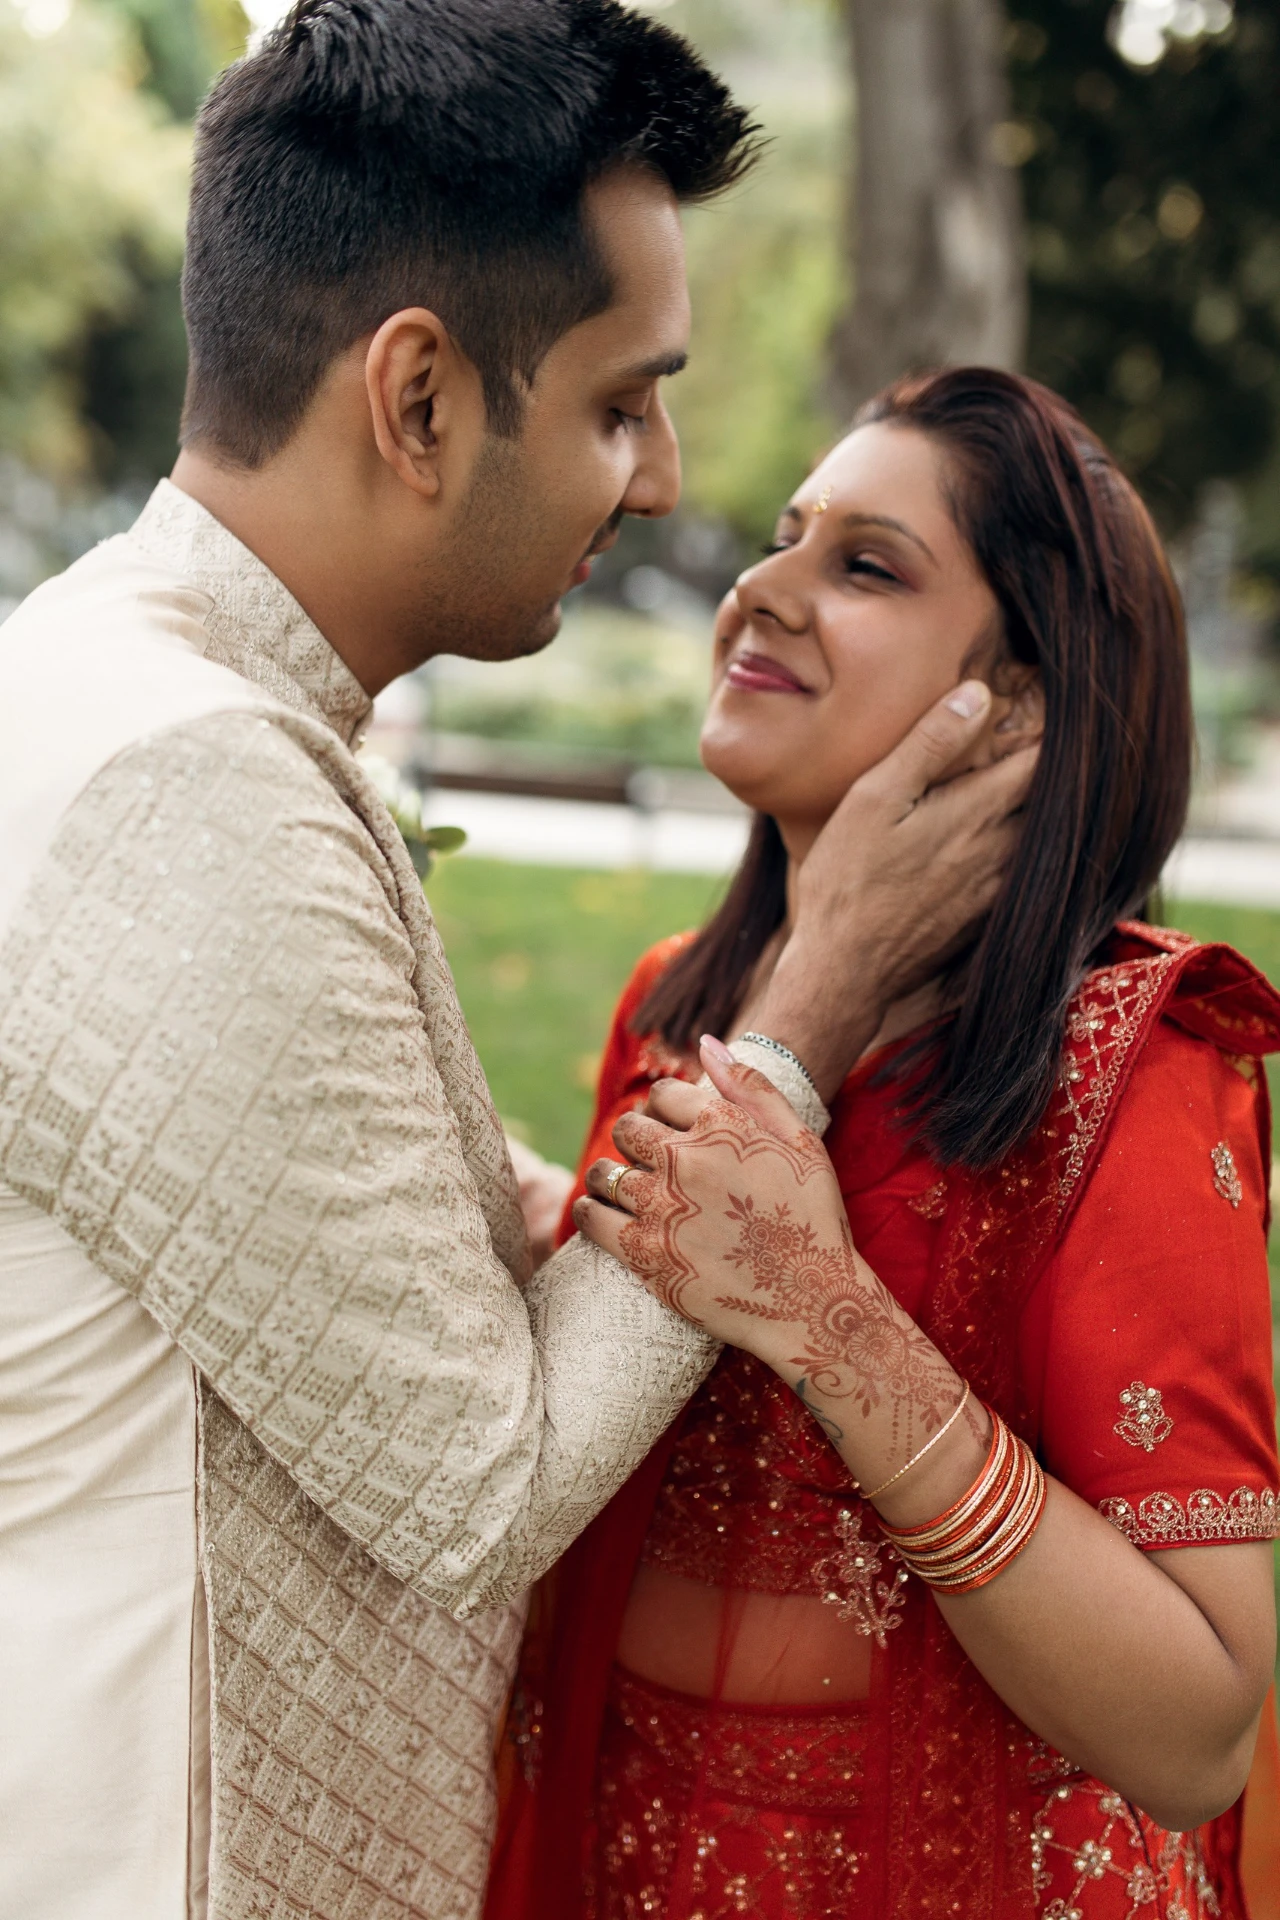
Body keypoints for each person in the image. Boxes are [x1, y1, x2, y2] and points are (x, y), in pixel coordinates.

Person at [0, 8, 1033, 1920]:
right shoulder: (188, 780)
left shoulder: (141, 689)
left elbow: (397, 1255)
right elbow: (479, 1483)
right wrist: (814, 992)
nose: (655, 484)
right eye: (618, 404)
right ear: (418, 400)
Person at [485, 367, 1280, 1920]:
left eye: (864, 565)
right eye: (782, 539)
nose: (758, 591)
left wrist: (828, 1317)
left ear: (1018, 710)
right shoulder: (672, 1015)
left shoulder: (1127, 1074)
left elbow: (1201, 1731)